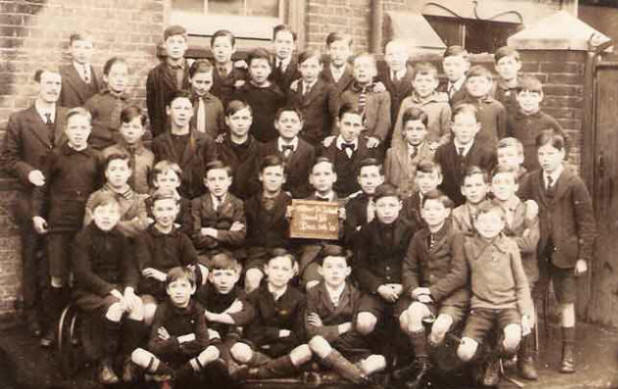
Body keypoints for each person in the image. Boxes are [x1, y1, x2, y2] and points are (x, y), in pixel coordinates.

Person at [518, 131, 596, 373]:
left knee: (566, 303)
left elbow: (587, 223)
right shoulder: (531, 180)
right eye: (541, 154)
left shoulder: (574, 183)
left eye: (551, 154)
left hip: (566, 255)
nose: (545, 159)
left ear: (562, 154)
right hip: (538, 254)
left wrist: (583, 257)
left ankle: (568, 353)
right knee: (529, 300)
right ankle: (527, 354)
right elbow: (516, 207)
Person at [1, 69, 67, 339]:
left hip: (60, 199)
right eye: (48, 83)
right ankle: (32, 317)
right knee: (32, 257)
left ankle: (58, 319)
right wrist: (28, 172)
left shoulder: (68, 117)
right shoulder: (20, 119)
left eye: (57, 84)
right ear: (38, 84)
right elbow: (8, 158)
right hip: (30, 198)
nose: (53, 88)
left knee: (59, 260)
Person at [32, 107, 103, 347]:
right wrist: (36, 215)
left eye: (83, 128)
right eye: (74, 128)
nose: (79, 132)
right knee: (57, 278)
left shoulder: (96, 157)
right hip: (59, 226)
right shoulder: (55, 156)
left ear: (90, 130)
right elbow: (41, 190)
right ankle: (55, 328)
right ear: (66, 130)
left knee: (83, 277)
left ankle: (79, 329)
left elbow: (102, 193)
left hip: (86, 228)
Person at [454, 201, 535, 387]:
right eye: (483, 221)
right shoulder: (468, 246)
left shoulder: (510, 246)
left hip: (508, 306)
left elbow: (522, 283)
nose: (488, 226)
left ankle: (494, 360)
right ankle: (483, 358)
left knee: (514, 337)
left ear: (502, 223)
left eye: (493, 221)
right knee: (464, 353)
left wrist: (525, 313)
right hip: (481, 307)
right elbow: (462, 278)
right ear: (475, 223)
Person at [395, 189, 467, 389]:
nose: (432, 213)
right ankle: (423, 364)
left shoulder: (456, 236)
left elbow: (460, 273)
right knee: (412, 314)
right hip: (425, 294)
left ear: (447, 212)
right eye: (427, 209)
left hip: (452, 296)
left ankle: (432, 366)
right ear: (422, 212)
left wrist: (433, 292)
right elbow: (409, 267)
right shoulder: (419, 236)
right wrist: (415, 290)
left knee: (439, 329)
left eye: (437, 209)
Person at [71, 192, 145, 384]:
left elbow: (129, 267)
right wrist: (112, 291)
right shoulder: (83, 238)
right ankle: (105, 363)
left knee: (137, 305)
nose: (106, 216)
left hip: (117, 289)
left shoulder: (119, 237)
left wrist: (129, 290)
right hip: (89, 291)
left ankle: (128, 360)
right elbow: (83, 274)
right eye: (101, 211)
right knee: (115, 307)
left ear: (118, 216)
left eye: (112, 212)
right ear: (92, 213)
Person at [306, 245, 386, 384]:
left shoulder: (357, 295)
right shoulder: (312, 294)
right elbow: (311, 331)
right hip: (325, 352)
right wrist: (342, 328)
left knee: (380, 361)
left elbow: (357, 334)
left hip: (353, 351)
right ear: (321, 270)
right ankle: (358, 377)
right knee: (316, 342)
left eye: (340, 267)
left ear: (348, 271)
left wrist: (325, 328)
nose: (335, 272)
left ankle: (335, 376)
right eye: (329, 267)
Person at [353, 184, 417, 356]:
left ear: (400, 205)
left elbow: (416, 264)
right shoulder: (365, 232)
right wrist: (378, 287)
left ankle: (405, 361)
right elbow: (359, 267)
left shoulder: (411, 230)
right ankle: (371, 356)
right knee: (364, 323)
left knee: (409, 321)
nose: (387, 211)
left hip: (403, 288)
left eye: (391, 205)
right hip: (375, 289)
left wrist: (405, 286)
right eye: (382, 205)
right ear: (374, 206)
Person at [229, 249, 313, 380]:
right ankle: (283, 368)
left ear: (292, 273)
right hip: (258, 350)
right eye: (275, 268)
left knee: (306, 351)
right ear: (266, 269)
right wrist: (279, 333)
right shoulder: (254, 297)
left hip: (287, 351)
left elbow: (299, 334)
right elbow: (252, 333)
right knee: (238, 349)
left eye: (285, 269)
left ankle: (257, 373)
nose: (279, 273)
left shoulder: (300, 298)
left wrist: (270, 334)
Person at [130, 267, 223, 385]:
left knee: (213, 351)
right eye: (174, 286)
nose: (179, 291)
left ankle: (173, 377)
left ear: (193, 289)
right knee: (137, 354)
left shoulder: (197, 309)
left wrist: (171, 341)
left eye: (184, 286)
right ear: (168, 290)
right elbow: (153, 345)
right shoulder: (162, 310)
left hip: (190, 359)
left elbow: (203, 342)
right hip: (167, 360)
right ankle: (176, 375)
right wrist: (181, 339)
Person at [490, 164, 541, 380]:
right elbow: (487, 240)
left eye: (507, 182)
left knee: (524, 306)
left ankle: (524, 357)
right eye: (497, 182)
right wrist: (515, 240)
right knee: (490, 306)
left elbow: (530, 243)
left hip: (524, 271)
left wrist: (503, 240)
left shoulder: (527, 209)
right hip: (495, 272)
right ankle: (491, 360)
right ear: (491, 187)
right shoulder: (486, 209)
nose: (502, 187)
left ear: (516, 185)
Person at [135, 189, 201, 326]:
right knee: (150, 312)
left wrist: (165, 277)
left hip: (178, 290)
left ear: (177, 209)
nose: (165, 215)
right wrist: (179, 274)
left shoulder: (182, 238)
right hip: (153, 292)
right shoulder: (143, 238)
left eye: (169, 209)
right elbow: (146, 271)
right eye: (160, 209)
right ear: (152, 210)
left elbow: (194, 269)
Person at [194, 253, 254, 375]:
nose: (223, 280)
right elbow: (200, 318)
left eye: (228, 274)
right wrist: (228, 313)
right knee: (212, 332)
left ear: (236, 277)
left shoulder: (239, 293)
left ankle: (227, 363)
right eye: (218, 274)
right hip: (209, 336)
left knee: (235, 329)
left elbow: (246, 316)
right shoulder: (203, 293)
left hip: (230, 334)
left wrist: (212, 316)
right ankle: (231, 367)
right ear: (210, 277)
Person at [151, 90, 217, 199]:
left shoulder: (205, 141)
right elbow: (154, 178)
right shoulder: (158, 143)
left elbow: (212, 176)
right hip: (168, 204)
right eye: (177, 108)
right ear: (168, 110)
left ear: (192, 112)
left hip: (196, 204)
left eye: (186, 109)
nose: (182, 113)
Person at [242, 155, 293, 293]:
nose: (272, 178)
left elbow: (299, 238)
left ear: (283, 179)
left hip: (284, 254)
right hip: (257, 255)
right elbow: (246, 237)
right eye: (268, 174)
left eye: (277, 175)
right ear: (261, 176)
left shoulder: (293, 204)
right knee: (252, 279)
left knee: (281, 279)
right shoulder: (249, 204)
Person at [293, 158, 346, 289]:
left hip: (338, 256)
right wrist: (291, 222)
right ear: (311, 179)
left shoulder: (345, 204)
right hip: (312, 257)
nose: (322, 179)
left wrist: (345, 222)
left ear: (334, 177)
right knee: (313, 286)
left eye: (326, 174)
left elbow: (350, 240)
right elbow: (294, 243)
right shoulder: (302, 205)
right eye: (317, 174)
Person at [434, 103, 496, 206]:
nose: (464, 130)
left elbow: (488, 186)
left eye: (469, 125)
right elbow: (438, 185)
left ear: (477, 127)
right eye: (460, 125)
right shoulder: (442, 152)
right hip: (448, 208)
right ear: (452, 126)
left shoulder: (487, 154)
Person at [506, 75, 566, 172]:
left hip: (540, 169)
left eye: (533, 96)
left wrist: (555, 161)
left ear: (540, 97)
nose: (528, 100)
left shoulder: (548, 121)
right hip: (517, 170)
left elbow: (565, 141)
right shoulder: (510, 121)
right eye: (523, 96)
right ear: (517, 97)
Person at [191, 160, 246, 266]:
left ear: (229, 181)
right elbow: (196, 236)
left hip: (231, 254)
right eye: (212, 179)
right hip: (204, 255)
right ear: (206, 182)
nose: (217, 184)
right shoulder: (197, 203)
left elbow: (239, 237)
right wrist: (227, 234)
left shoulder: (237, 204)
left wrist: (212, 232)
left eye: (221, 179)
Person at [320, 103, 380, 197]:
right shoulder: (325, 147)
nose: (351, 130)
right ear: (338, 122)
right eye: (347, 124)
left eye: (356, 125)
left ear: (362, 126)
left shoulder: (370, 149)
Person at [84, 153, 149, 239]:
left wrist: (105, 223)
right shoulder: (95, 197)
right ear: (106, 173)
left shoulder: (138, 200)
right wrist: (130, 224)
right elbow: (89, 228)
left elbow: (141, 227)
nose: (118, 174)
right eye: (113, 169)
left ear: (129, 172)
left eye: (122, 169)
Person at [333, 53, 391, 147]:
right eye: (357, 67)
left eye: (366, 66)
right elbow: (339, 119)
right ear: (353, 72)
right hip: (349, 140)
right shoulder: (346, 95)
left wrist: (377, 137)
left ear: (374, 71)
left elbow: (384, 120)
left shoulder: (382, 95)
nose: (361, 70)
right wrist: (334, 137)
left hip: (372, 142)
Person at [391, 62, 451, 150]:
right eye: (419, 81)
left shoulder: (443, 105)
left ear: (436, 83)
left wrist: (438, 145)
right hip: (408, 151)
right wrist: (396, 151)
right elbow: (398, 132)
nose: (423, 85)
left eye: (428, 81)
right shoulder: (407, 102)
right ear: (413, 83)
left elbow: (448, 134)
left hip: (432, 151)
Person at [260, 106, 315, 198]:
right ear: (276, 124)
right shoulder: (265, 149)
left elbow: (310, 181)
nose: (289, 125)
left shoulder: (309, 150)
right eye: (284, 121)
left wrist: (292, 194)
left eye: (293, 121)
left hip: (297, 200)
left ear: (301, 125)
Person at [233, 48, 286, 143]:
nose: (259, 71)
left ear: (270, 69)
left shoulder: (277, 94)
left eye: (263, 67)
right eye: (255, 67)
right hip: (247, 142)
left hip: (270, 142)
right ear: (249, 69)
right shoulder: (241, 92)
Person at [146, 25, 191, 137]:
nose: (176, 46)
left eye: (180, 42)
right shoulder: (155, 74)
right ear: (165, 45)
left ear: (186, 46)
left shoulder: (193, 70)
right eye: (171, 42)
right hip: (165, 132)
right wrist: (158, 135)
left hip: (190, 131)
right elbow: (152, 109)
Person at [287, 49, 338, 147]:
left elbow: (336, 115)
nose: (309, 71)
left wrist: (333, 136)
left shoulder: (329, 89)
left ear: (320, 67)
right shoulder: (294, 87)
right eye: (305, 66)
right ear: (299, 67)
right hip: (296, 140)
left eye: (313, 67)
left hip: (319, 141)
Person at [215, 100, 262, 200]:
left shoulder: (261, 150)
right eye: (236, 118)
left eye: (244, 118)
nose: (240, 123)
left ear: (251, 120)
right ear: (227, 120)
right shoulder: (216, 148)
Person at [385, 107, 435, 199]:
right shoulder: (392, 154)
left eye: (419, 129)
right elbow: (387, 184)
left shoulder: (433, 154)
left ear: (426, 131)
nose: (414, 133)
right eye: (410, 129)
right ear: (403, 131)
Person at [102, 105, 154, 194]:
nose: (130, 131)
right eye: (126, 126)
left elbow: (152, 186)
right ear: (120, 128)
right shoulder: (107, 153)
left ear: (143, 130)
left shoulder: (149, 157)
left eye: (135, 127)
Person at [83, 57, 131, 150]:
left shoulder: (130, 104)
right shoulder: (94, 102)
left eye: (123, 75)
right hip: (98, 151)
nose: (119, 79)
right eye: (115, 75)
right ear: (105, 77)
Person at [461, 65, 507, 148]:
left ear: (489, 85)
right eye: (472, 82)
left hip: (490, 151)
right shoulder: (460, 106)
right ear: (466, 84)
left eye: (481, 82)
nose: (476, 85)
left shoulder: (497, 107)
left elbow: (502, 134)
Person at [343, 158, 385, 247]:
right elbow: (349, 237)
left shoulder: (389, 202)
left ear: (382, 179)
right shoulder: (352, 204)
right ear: (359, 180)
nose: (369, 181)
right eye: (365, 176)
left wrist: (360, 229)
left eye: (373, 176)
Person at [379, 40, 414, 133]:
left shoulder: (416, 78)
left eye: (399, 54)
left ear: (406, 56)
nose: (395, 59)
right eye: (390, 55)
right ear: (385, 57)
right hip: (383, 134)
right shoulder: (379, 78)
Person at [149, 160, 193, 234]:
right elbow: (149, 223)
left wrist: (170, 229)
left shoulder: (186, 204)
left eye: (172, 180)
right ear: (155, 182)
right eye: (163, 180)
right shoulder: (149, 202)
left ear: (178, 182)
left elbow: (187, 226)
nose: (168, 184)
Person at [59, 32, 101, 108]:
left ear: (93, 50)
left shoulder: (100, 75)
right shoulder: (62, 74)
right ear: (70, 49)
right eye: (77, 47)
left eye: (87, 48)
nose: (82, 52)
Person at [210, 29, 248, 107]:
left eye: (225, 46)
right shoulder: (207, 69)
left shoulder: (241, 72)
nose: (221, 50)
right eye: (217, 46)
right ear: (211, 49)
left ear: (233, 49)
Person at [188, 59, 225, 138]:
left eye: (207, 82)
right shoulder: (184, 102)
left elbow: (222, 131)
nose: (202, 87)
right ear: (190, 79)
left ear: (212, 82)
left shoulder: (217, 104)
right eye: (198, 82)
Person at [451, 166, 490, 234]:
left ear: (487, 187)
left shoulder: (497, 210)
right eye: (469, 186)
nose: (473, 190)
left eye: (478, 185)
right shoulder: (456, 214)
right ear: (463, 190)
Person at [320, 32, 354, 97]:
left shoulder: (355, 74)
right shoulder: (319, 73)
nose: (338, 53)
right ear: (328, 50)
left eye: (342, 49)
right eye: (334, 48)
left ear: (350, 51)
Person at [270, 24, 300, 92]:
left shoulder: (300, 67)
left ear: (294, 45)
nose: (283, 46)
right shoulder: (267, 65)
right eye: (280, 42)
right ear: (273, 43)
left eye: (288, 42)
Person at [492, 46, 522, 114]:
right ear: (496, 67)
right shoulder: (491, 89)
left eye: (510, 63)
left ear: (519, 65)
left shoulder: (525, 89)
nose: (506, 68)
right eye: (502, 64)